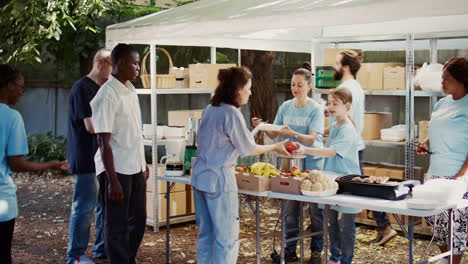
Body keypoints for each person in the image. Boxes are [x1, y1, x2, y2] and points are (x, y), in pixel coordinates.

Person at [191, 66, 290, 264]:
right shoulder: (231, 113)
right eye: (249, 88)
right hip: (219, 179)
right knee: (226, 238)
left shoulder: (211, 108)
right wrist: (275, 147)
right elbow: (248, 149)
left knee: (207, 235)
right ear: (237, 89)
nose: (250, 92)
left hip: (200, 176)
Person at [253, 63, 325, 264]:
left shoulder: (315, 109)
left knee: (315, 211)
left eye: (300, 85)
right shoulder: (285, 106)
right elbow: (274, 133)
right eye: (293, 84)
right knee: (290, 211)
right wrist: (262, 126)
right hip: (290, 166)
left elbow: (311, 139)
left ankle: (317, 251)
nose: (295, 88)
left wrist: (291, 133)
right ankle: (290, 249)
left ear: (309, 86)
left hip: (312, 165)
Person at [0, 64, 69, 264]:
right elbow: (17, 163)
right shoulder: (12, 117)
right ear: (9, 85)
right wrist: (52, 164)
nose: (22, 92)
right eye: (21, 87)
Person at [90, 44, 149, 264]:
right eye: (134, 63)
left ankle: (127, 259)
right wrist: (112, 181)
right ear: (121, 63)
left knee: (139, 219)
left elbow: (132, 132)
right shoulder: (106, 94)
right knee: (116, 224)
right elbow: (103, 142)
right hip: (115, 169)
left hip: (135, 166)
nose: (138, 68)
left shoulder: (130, 89)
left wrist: (143, 164)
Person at [333, 50, 396, 245]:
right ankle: (383, 225)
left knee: (362, 187)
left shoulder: (346, 87)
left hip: (347, 145)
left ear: (345, 67)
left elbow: (342, 117)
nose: (333, 67)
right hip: (355, 142)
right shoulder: (356, 86)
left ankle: (383, 225)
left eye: (337, 63)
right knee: (364, 185)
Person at [295, 87, 360, 264]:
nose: (330, 107)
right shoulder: (334, 124)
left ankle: (346, 260)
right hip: (332, 182)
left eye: (335, 104)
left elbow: (331, 152)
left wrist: (306, 149)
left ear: (347, 106)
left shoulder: (347, 129)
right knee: (332, 223)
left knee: (346, 226)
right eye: (329, 103)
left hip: (348, 183)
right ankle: (334, 258)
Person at [417, 57, 468, 264]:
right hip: (436, 169)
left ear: (461, 80)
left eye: (447, 79)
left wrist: (461, 174)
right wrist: (427, 142)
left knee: (456, 224)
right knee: (436, 221)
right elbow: (437, 127)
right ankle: (445, 258)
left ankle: (454, 262)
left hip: (459, 174)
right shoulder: (441, 103)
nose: (442, 83)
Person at [66, 49, 112, 264]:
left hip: (102, 158)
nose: (114, 71)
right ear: (101, 62)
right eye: (112, 65)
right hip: (86, 158)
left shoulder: (103, 88)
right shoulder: (82, 88)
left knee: (103, 205)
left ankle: (101, 250)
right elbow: (91, 126)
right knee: (84, 207)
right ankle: (74, 255)